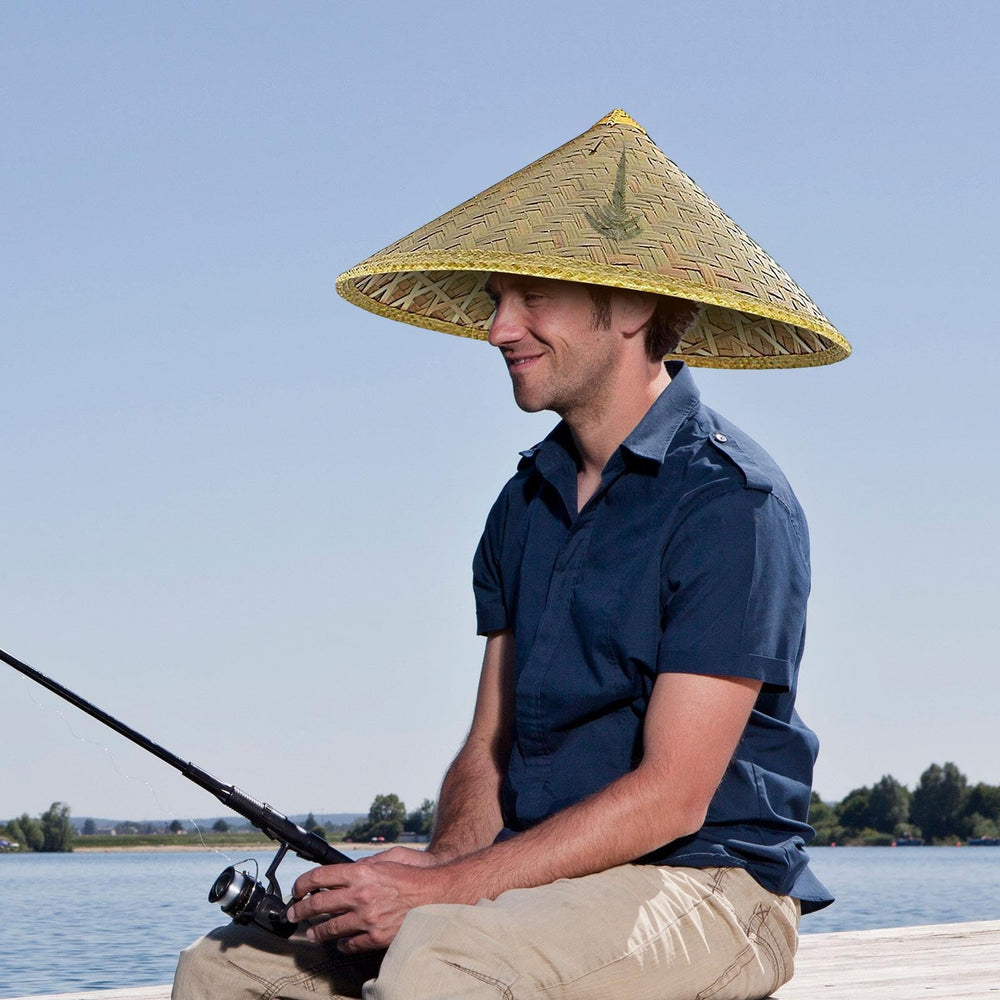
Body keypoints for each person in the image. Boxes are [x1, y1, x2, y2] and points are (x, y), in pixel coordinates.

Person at [173, 109, 849, 1000]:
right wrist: (425, 869)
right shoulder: (522, 504)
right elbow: (489, 751)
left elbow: (673, 795)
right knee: (226, 969)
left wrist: (445, 897)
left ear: (636, 304)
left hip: (713, 888)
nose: (499, 329)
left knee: (441, 965)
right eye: (497, 301)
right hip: (538, 885)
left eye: (532, 298)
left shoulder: (733, 505)